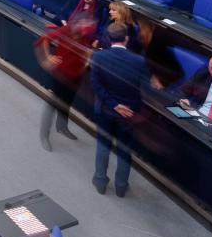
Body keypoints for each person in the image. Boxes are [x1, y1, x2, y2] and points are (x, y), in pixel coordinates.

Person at [90, 22, 146, 196]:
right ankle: (121, 186)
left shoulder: (98, 57)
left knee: (103, 146)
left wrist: (114, 104)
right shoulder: (139, 61)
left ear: (108, 38)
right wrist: (123, 106)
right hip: (128, 113)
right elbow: (142, 88)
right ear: (127, 38)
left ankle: (100, 181)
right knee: (124, 150)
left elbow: (96, 86)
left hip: (105, 110)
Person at [35, 10, 92, 150]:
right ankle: (44, 135)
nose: (89, 25)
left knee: (67, 104)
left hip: (76, 77)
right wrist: (48, 57)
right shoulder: (67, 30)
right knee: (51, 105)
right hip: (61, 75)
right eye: (86, 22)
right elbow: (44, 39)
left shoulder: (85, 34)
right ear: (78, 22)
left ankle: (62, 127)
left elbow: (86, 50)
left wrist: (86, 60)